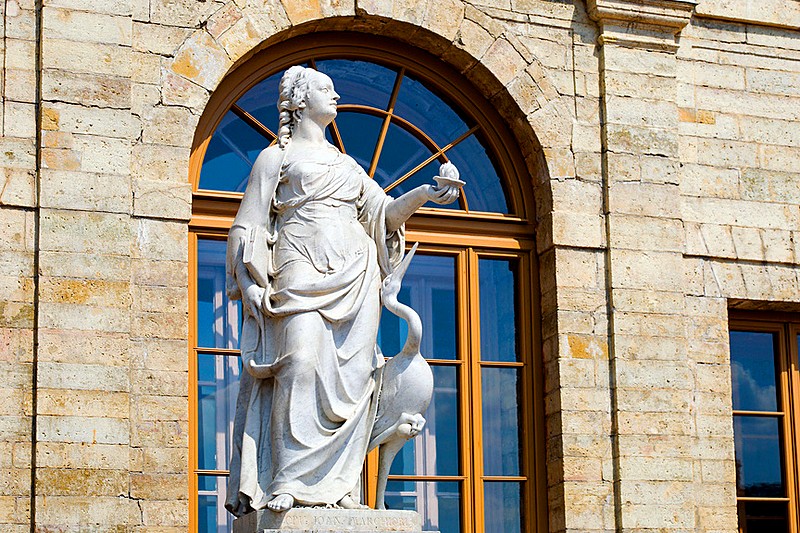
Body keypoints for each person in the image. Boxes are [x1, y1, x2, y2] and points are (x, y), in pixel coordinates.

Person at [224, 65, 460, 515]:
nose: (335, 96)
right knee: (300, 361)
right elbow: (249, 223)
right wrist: (250, 282)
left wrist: (426, 193)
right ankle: (289, 479)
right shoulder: (275, 158)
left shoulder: (346, 165)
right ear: (297, 101)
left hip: (356, 276)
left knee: (355, 381)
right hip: (298, 267)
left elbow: (386, 214)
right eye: (325, 89)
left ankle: (339, 486)